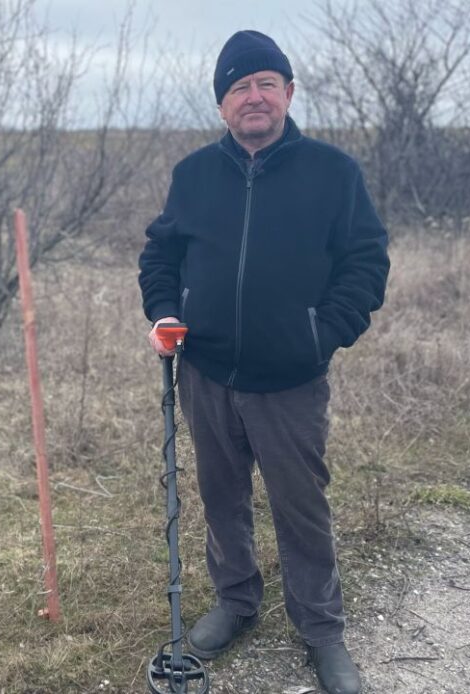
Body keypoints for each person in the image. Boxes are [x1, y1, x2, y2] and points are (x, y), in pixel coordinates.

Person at [137, 30, 390, 694]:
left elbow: (366, 263)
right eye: (239, 87)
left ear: (289, 93)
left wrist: (322, 332)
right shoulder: (193, 175)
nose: (254, 97)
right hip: (205, 372)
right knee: (222, 498)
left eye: (265, 84)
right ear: (222, 103)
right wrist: (163, 313)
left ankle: (322, 631)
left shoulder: (334, 174)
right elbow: (160, 256)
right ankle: (237, 602)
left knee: (300, 508)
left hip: (291, 381)